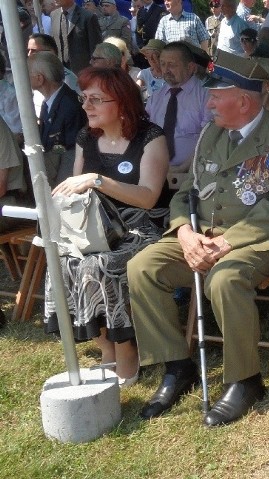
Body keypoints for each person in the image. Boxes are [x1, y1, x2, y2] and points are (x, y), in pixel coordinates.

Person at [128, 51, 269, 426]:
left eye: (215, 95)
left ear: (243, 99)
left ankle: (246, 380)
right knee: (142, 267)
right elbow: (188, 193)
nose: (207, 102)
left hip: (261, 238)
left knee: (223, 279)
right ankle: (178, 367)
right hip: (203, 233)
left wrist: (225, 244)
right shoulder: (212, 133)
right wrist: (185, 232)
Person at [44, 67, 170, 388]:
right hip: (94, 225)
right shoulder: (87, 138)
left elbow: (148, 197)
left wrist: (98, 180)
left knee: (98, 265)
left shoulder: (150, 138)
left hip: (142, 227)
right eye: (84, 98)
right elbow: (77, 192)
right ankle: (104, 344)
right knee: (61, 260)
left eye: (96, 100)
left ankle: (126, 347)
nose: (86, 107)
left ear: (122, 102)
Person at [145, 41, 212, 173]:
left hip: (193, 173)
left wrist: (181, 169)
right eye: (163, 64)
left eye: (172, 65)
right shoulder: (156, 98)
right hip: (156, 171)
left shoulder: (206, 95)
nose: (166, 70)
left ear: (191, 67)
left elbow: (208, 139)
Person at [30, 51, 87, 185]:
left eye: (27, 74)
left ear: (40, 78)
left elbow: (71, 151)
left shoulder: (70, 106)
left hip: (62, 180)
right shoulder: (50, 101)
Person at [51, 0, 103, 74]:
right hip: (61, 71)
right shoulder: (54, 15)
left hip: (83, 71)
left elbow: (96, 47)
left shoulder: (88, 17)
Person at [134, 0, 167, 65]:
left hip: (155, 50)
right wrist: (141, 46)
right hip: (143, 51)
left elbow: (161, 32)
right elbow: (137, 31)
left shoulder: (160, 10)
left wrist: (153, 48)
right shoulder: (140, 11)